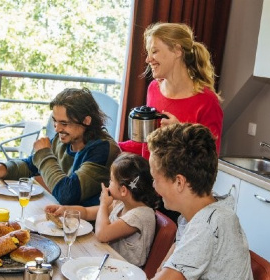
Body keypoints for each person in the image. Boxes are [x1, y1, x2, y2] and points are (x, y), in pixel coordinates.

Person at [0, 88, 121, 206]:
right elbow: (30, 165)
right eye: (55, 121)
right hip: (61, 216)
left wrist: (44, 154)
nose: (57, 129)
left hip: (90, 228)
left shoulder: (103, 149)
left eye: (64, 123)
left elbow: (67, 194)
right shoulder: (65, 138)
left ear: (86, 121)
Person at [147, 123, 253, 280]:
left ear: (179, 182)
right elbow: (163, 271)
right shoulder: (198, 214)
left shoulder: (207, 225)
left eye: (155, 179)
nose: (153, 186)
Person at [120, 22, 223, 158]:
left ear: (177, 51)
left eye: (154, 51)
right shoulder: (153, 88)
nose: (147, 59)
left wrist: (180, 134)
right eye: (148, 53)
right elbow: (147, 144)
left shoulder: (207, 102)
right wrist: (111, 146)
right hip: (149, 177)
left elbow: (209, 161)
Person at [45, 152, 160, 267]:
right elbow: (88, 212)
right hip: (107, 259)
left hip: (124, 270)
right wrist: (65, 210)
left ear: (123, 190)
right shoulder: (120, 204)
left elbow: (102, 234)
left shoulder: (140, 215)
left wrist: (104, 204)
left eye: (111, 180)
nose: (108, 184)